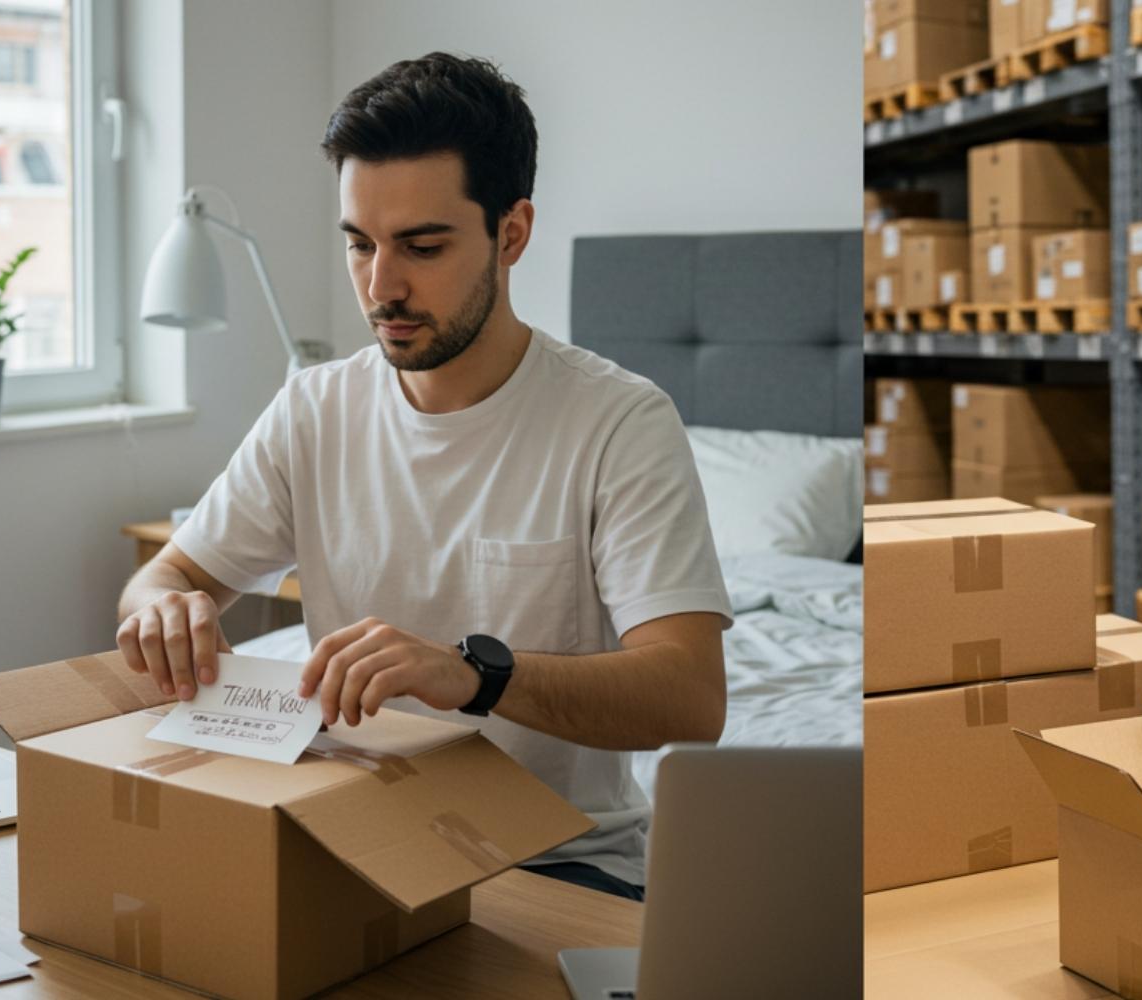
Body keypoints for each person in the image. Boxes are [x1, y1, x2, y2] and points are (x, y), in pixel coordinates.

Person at [113, 52, 733, 902]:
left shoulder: (618, 422)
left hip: (559, 862)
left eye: (422, 246)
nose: (381, 286)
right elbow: (167, 574)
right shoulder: (314, 409)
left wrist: (477, 674)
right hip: (352, 843)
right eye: (360, 245)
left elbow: (691, 697)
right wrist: (163, 610)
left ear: (511, 233)